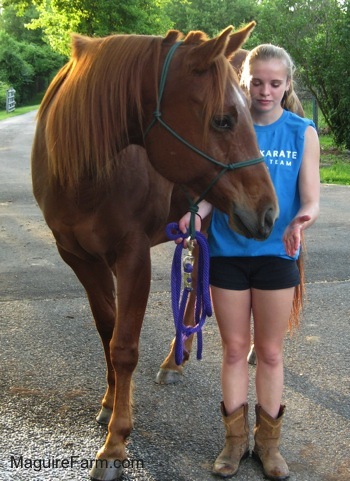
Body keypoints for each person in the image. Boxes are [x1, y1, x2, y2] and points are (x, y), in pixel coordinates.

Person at [177, 44, 320, 480]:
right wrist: (193, 216)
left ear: (287, 85)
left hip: (277, 257)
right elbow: (209, 195)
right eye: (257, 82)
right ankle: (234, 443)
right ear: (245, 82)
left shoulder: (301, 132)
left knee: (271, 353)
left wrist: (301, 221)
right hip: (227, 257)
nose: (265, 91)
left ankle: (269, 446)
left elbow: (311, 199)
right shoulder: (225, 128)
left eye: (275, 83)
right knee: (236, 349)